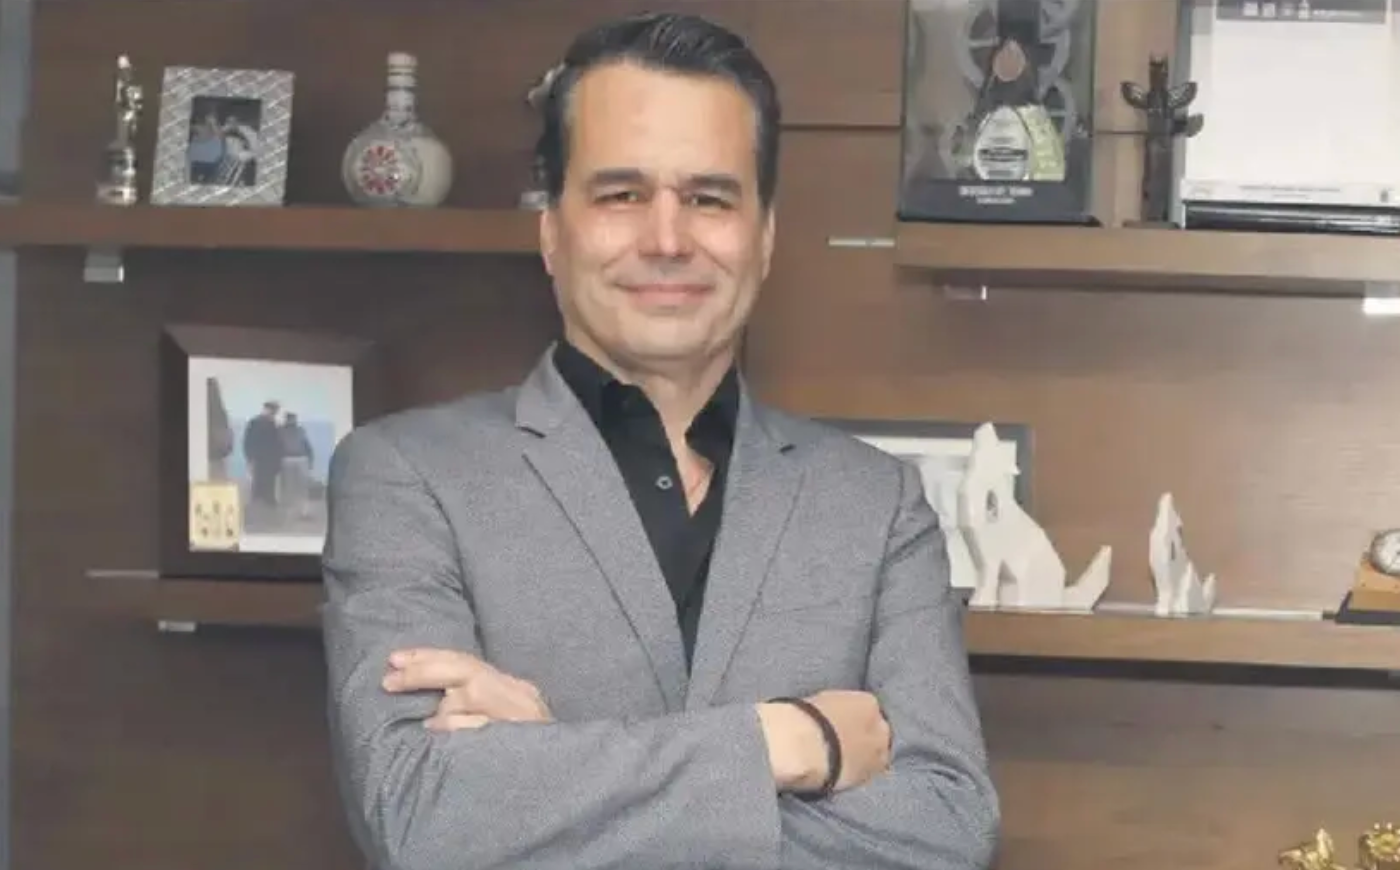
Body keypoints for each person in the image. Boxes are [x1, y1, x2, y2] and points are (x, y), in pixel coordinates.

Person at [320, 12, 1000, 870]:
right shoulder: (404, 477)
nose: (669, 240)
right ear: (552, 232)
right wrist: (790, 741)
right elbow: (419, 814)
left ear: (764, 238)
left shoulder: (877, 506)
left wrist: (546, 769)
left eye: (709, 198)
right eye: (622, 195)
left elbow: (948, 829)